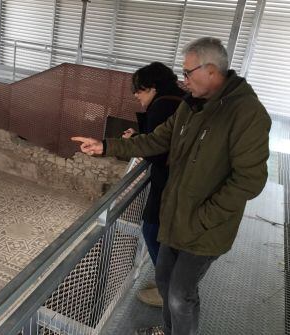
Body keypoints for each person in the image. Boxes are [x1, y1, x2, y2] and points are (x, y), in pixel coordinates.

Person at [72, 37, 271, 335]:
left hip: (205, 228)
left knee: (181, 294)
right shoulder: (190, 107)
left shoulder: (247, 115)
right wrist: (105, 145)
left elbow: (250, 180)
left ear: (212, 71)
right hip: (176, 218)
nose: (183, 79)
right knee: (165, 281)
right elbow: (156, 139)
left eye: (188, 72)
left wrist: (204, 217)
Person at [124, 62, 185, 308]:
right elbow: (162, 141)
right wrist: (140, 139)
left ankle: (167, 292)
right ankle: (166, 284)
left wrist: (136, 143)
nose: (136, 95)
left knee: (152, 229)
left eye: (139, 90)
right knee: (163, 234)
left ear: (152, 88)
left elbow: (158, 152)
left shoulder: (162, 106)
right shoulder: (179, 100)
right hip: (179, 182)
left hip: (170, 183)